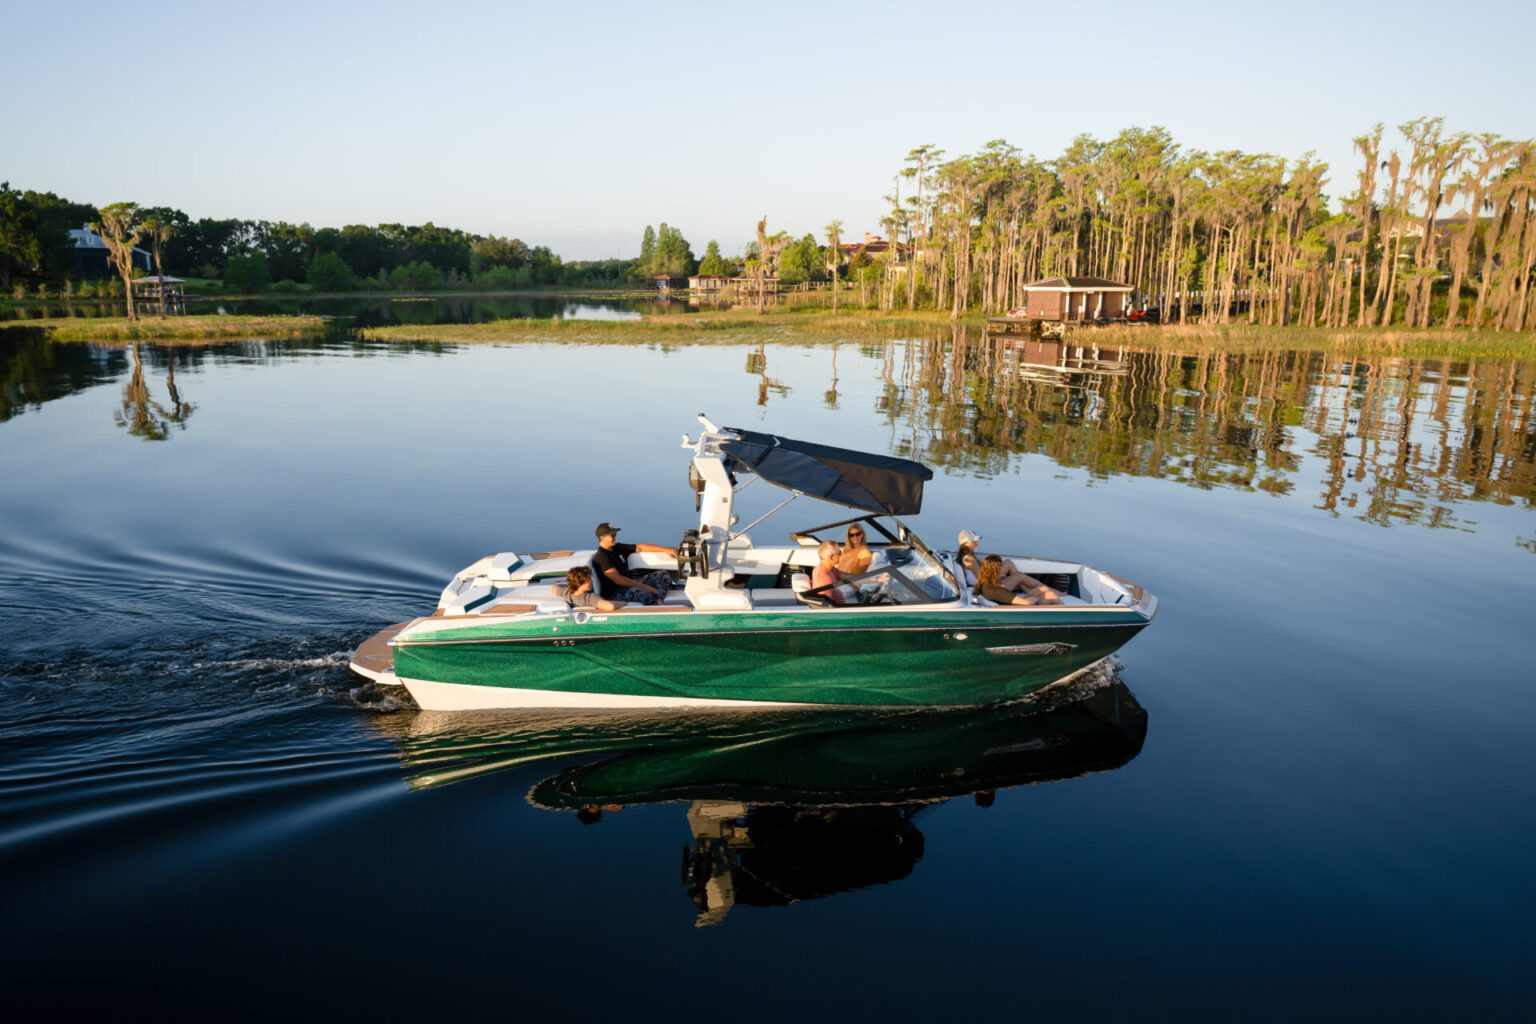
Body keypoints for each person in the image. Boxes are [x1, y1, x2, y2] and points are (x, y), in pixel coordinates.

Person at [592, 522, 677, 606]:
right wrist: (644, 587)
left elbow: (640, 548)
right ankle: (658, 610)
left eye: (615, 534)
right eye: (612, 535)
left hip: (630, 583)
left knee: (663, 575)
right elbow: (618, 579)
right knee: (645, 593)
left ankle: (658, 600)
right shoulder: (601, 557)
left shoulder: (617, 547)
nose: (615, 537)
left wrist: (666, 549)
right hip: (616, 593)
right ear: (602, 538)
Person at [958, 528, 1051, 594]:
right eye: (973, 541)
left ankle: (1029, 590)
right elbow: (983, 582)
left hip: (985, 583)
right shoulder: (970, 559)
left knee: (1008, 563)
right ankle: (1049, 591)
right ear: (965, 543)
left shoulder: (966, 556)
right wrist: (998, 579)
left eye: (976, 540)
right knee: (1019, 576)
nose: (976, 542)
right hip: (988, 589)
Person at [974, 554, 1060, 606]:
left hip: (1012, 600)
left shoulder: (984, 582)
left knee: (1043, 589)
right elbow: (1026, 602)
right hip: (1018, 605)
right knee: (1049, 594)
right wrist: (1036, 598)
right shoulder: (998, 591)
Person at [551, 565, 623, 611]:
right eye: (588, 580)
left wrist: (572, 585)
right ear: (580, 583)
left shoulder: (566, 592)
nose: (591, 581)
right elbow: (610, 606)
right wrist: (624, 604)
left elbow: (554, 588)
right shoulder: (590, 598)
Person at [811, 540, 848, 605]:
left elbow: (846, 576)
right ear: (832, 557)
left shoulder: (830, 569)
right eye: (839, 552)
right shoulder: (823, 577)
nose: (841, 554)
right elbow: (826, 605)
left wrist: (869, 579)